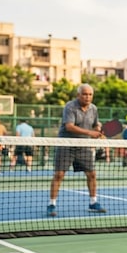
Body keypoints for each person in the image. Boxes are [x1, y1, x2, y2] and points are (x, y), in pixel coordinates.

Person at [48, 84, 106, 216]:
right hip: (66, 145)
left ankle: (93, 202)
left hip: (83, 145)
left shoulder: (93, 109)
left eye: (90, 94)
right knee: (59, 175)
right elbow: (69, 127)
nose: (88, 97)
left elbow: (96, 124)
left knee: (92, 174)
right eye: (85, 94)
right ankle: (51, 204)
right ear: (78, 95)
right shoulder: (70, 106)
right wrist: (91, 133)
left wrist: (98, 128)